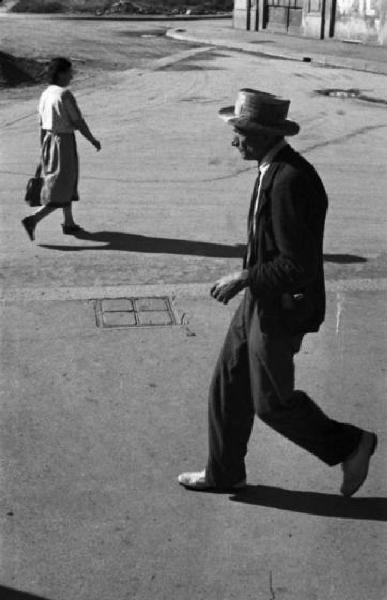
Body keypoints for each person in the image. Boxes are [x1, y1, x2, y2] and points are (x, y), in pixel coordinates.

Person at [178, 89, 377, 497]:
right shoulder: (271, 168)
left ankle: (351, 444)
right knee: (229, 384)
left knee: (271, 402)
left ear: (267, 135)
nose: (234, 140)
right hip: (262, 297)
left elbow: (297, 266)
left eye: (241, 132)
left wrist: (245, 276)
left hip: (282, 306)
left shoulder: (290, 180)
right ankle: (224, 472)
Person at [21, 57, 101, 241]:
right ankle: (33, 219)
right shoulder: (64, 95)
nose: (71, 76)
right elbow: (78, 121)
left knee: (66, 181)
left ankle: (69, 222)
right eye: (69, 72)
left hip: (49, 140)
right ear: (61, 73)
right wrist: (92, 139)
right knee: (62, 185)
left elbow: (41, 123)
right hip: (63, 142)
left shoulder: (46, 93)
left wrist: (43, 149)